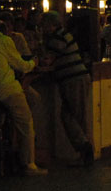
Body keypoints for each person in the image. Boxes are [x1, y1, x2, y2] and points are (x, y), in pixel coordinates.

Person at [0, 21, 46, 176]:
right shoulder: (5, 40)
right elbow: (21, 65)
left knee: (29, 99)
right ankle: (29, 164)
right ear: (6, 30)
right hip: (6, 89)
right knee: (26, 122)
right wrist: (34, 62)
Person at [40, 11, 94, 167]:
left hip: (72, 79)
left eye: (44, 24)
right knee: (71, 115)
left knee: (74, 116)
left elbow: (47, 60)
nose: (42, 27)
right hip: (76, 78)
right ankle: (84, 147)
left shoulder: (57, 38)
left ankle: (85, 149)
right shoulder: (65, 35)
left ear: (51, 24)